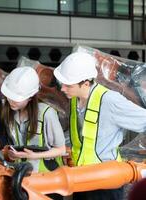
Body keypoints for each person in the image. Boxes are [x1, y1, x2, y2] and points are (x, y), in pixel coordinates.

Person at [53, 52, 146, 200]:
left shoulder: (109, 101)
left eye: (67, 85)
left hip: (106, 184)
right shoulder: (74, 100)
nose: (62, 89)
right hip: (81, 179)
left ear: (85, 83)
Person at [1, 66, 66, 172]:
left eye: (16, 98)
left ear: (30, 97)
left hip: (46, 177)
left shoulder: (47, 114)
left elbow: (61, 149)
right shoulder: (10, 112)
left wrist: (34, 156)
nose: (11, 101)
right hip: (21, 174)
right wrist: (12, 155)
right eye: (9, 96)